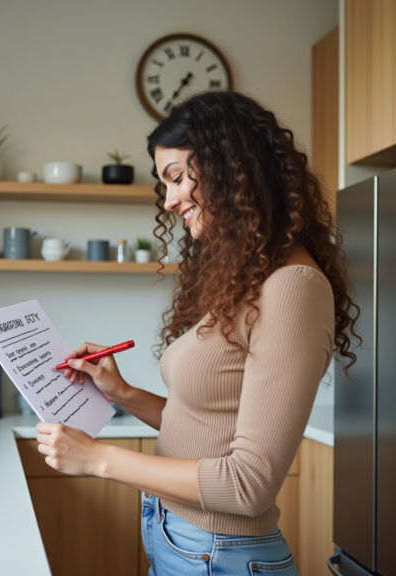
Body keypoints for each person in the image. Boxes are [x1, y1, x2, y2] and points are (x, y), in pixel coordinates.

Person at [35, 91, 359, 575]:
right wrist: (122, 393)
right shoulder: (250, 278)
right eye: (166, 183)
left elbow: (248, 485)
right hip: (183, 540)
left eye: (180, 178)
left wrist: (99, 460)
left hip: (219, 556)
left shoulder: (293, 287)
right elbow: (203, 429)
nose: (169, 200)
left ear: (235, 170)